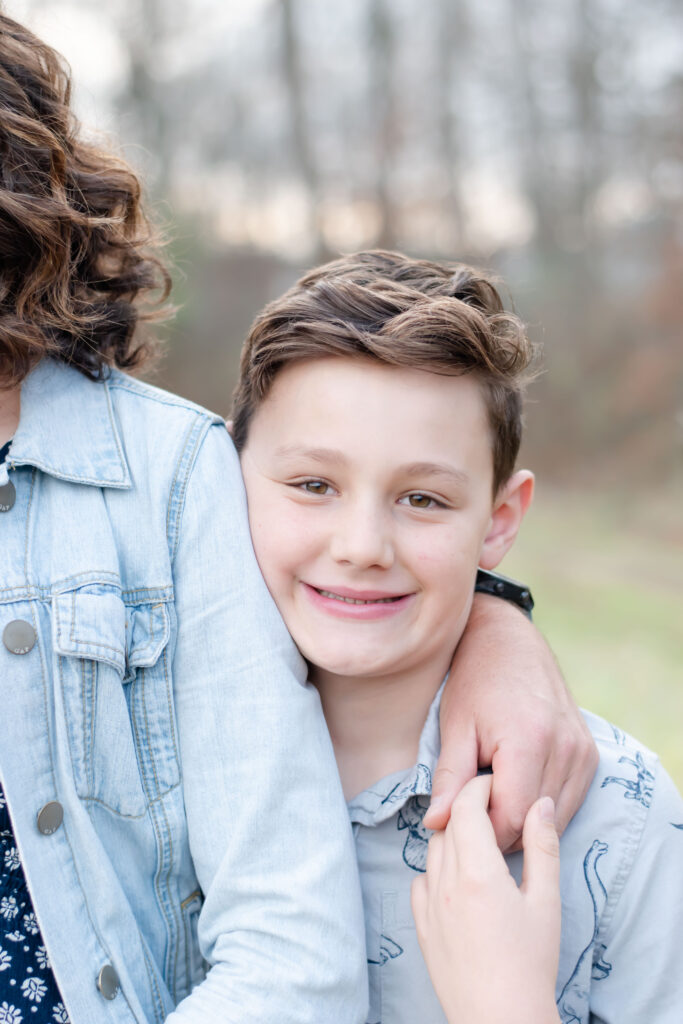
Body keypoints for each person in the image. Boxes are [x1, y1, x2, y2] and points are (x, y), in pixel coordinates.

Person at [0, 13, 599, 1024]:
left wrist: (489, 613)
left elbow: (291, 952)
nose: (362, 538)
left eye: (421, 499)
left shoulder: (167, 476)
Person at [233, 249, 683, 1023]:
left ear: (498, 522)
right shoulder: (139, 763)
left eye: (422, 498)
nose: (362, 544)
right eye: (313, 485)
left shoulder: (620, 815)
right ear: (226, 476)